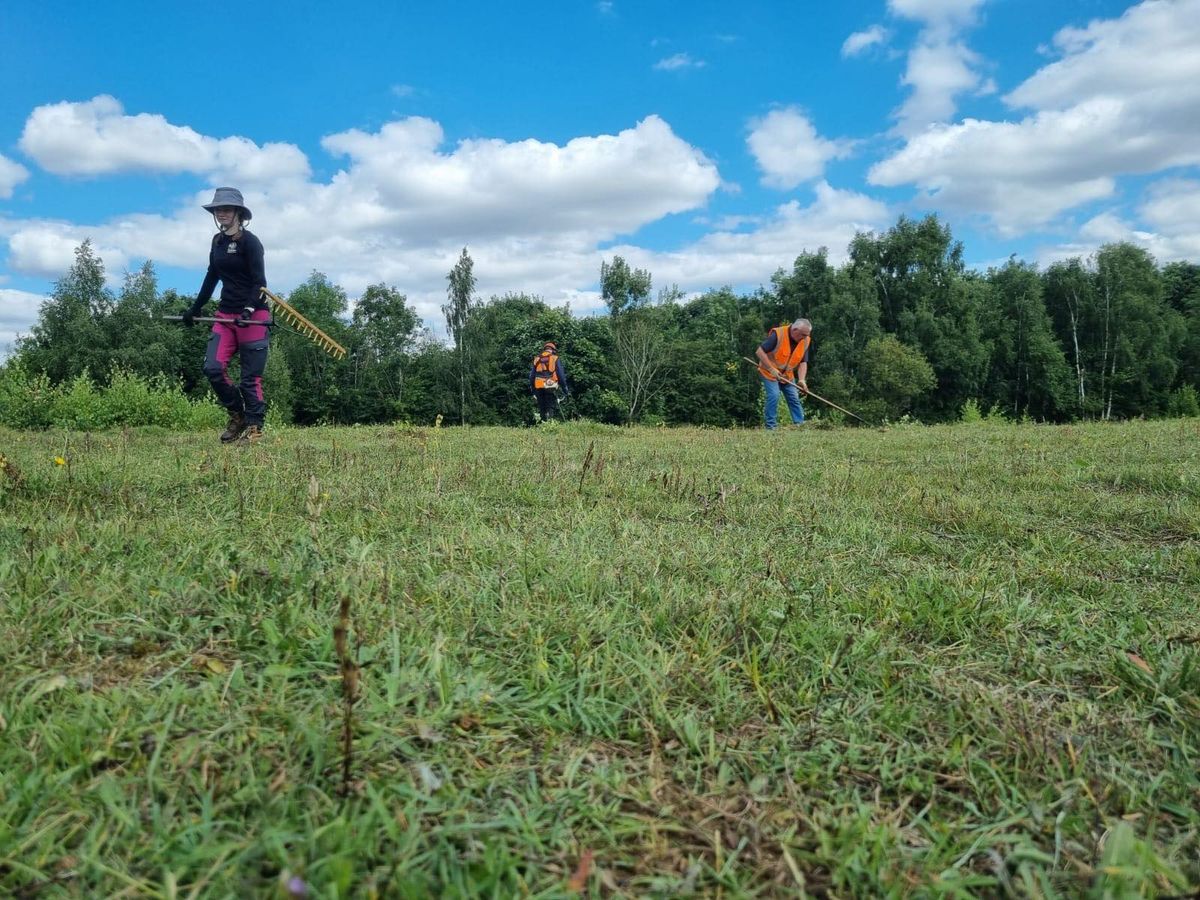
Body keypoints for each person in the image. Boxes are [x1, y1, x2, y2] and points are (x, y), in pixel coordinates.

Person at [182, 187, 270, 443]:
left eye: (227, 209)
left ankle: (255, 428)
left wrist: (249, 309)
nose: (221, 212)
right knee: (213, 368)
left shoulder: (251, 242)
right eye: (218, 209)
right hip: (225, 316)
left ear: (238, 213)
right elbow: (212, 276)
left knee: (249, 378)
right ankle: (237, 415)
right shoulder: (217, 242)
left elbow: (260, 282)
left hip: (253, 316)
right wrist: (195, 308)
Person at [755, 318, 812, 429]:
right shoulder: (779, 334)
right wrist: (771, 369)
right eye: (803, 335)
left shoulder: (805, 340)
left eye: (807, 335)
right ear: (795, 330)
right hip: (769, 373)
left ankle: (800, 425)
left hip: (787, 375)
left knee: (794, 398)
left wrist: (801, 380)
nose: (805, 338)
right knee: (774, 395)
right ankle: (771, 427)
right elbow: (759, 351)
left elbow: (803, 362)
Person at [529, 341, 570, 422]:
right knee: (550, 406)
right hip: (550, 385)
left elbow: (531, 377)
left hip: (539, 386)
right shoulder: (555, 358)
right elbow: (561, 375)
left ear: (545, 349)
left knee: (542, 407)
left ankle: (543, 425)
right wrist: (565, 389)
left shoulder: (537, 359)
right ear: (553, 350)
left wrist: (533, 390)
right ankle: (549, 424)